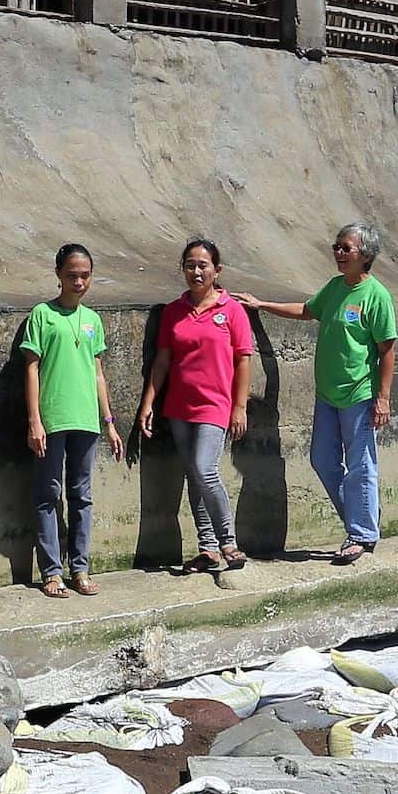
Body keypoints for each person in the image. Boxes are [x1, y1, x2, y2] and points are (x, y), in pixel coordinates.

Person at [234, 224, 397, 565]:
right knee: (322, 460)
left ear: (365, 255)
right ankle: (362, 517)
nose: (338, 252)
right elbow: (307, 310)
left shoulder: (377, 296)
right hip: (328, 395)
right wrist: (261, 304)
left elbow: (387, 349)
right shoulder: (336, 288)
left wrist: (383, 398)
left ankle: (361, 533)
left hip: (359, 394)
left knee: (360, 466)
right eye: (336, 246)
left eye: (345, 248)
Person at [136, 238, 253, 570]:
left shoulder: (231, 311)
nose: (196, 271)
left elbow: (243, 360)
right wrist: (148, 403)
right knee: (194, 475)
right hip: (178, 407)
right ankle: (208, 547)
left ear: (217, 271)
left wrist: (240, 407)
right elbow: (162, 362)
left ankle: (228, 542)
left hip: (215, 406)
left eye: (203, 265)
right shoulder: (174, 312)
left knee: (205, 470)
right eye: (190, 265)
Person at [22, 244, 124, 598]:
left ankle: (80, 568)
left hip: (86, 421)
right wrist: (35, 420)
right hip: (52, 419)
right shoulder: (42, 315)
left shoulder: (93, 320)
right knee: (48, 494)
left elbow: (97, 374)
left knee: (82, 495)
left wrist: (109, 421)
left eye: (84, 276)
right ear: (58, 275)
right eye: (71, 275)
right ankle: (51, 571)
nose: (78, 282)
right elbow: (31, 368)